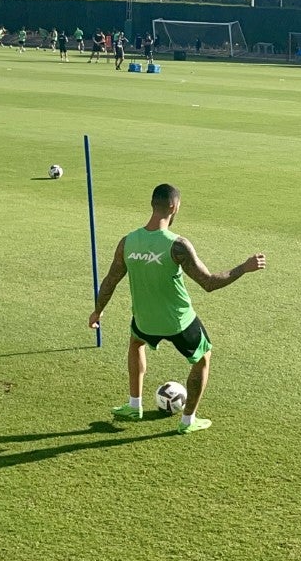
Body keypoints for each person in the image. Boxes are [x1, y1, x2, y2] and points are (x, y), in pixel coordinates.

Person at [88, 184, 265, 434]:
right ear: (174, 206)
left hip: (145, 320)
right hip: (179, 322)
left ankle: (134, 405)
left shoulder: (127, 242)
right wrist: (243, 268)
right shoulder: (177, 245)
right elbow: (209, 283)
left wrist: (98, 311)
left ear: (153, 205)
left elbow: (110, 280)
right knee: (204, 357)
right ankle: (187, 421)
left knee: (136, 342)